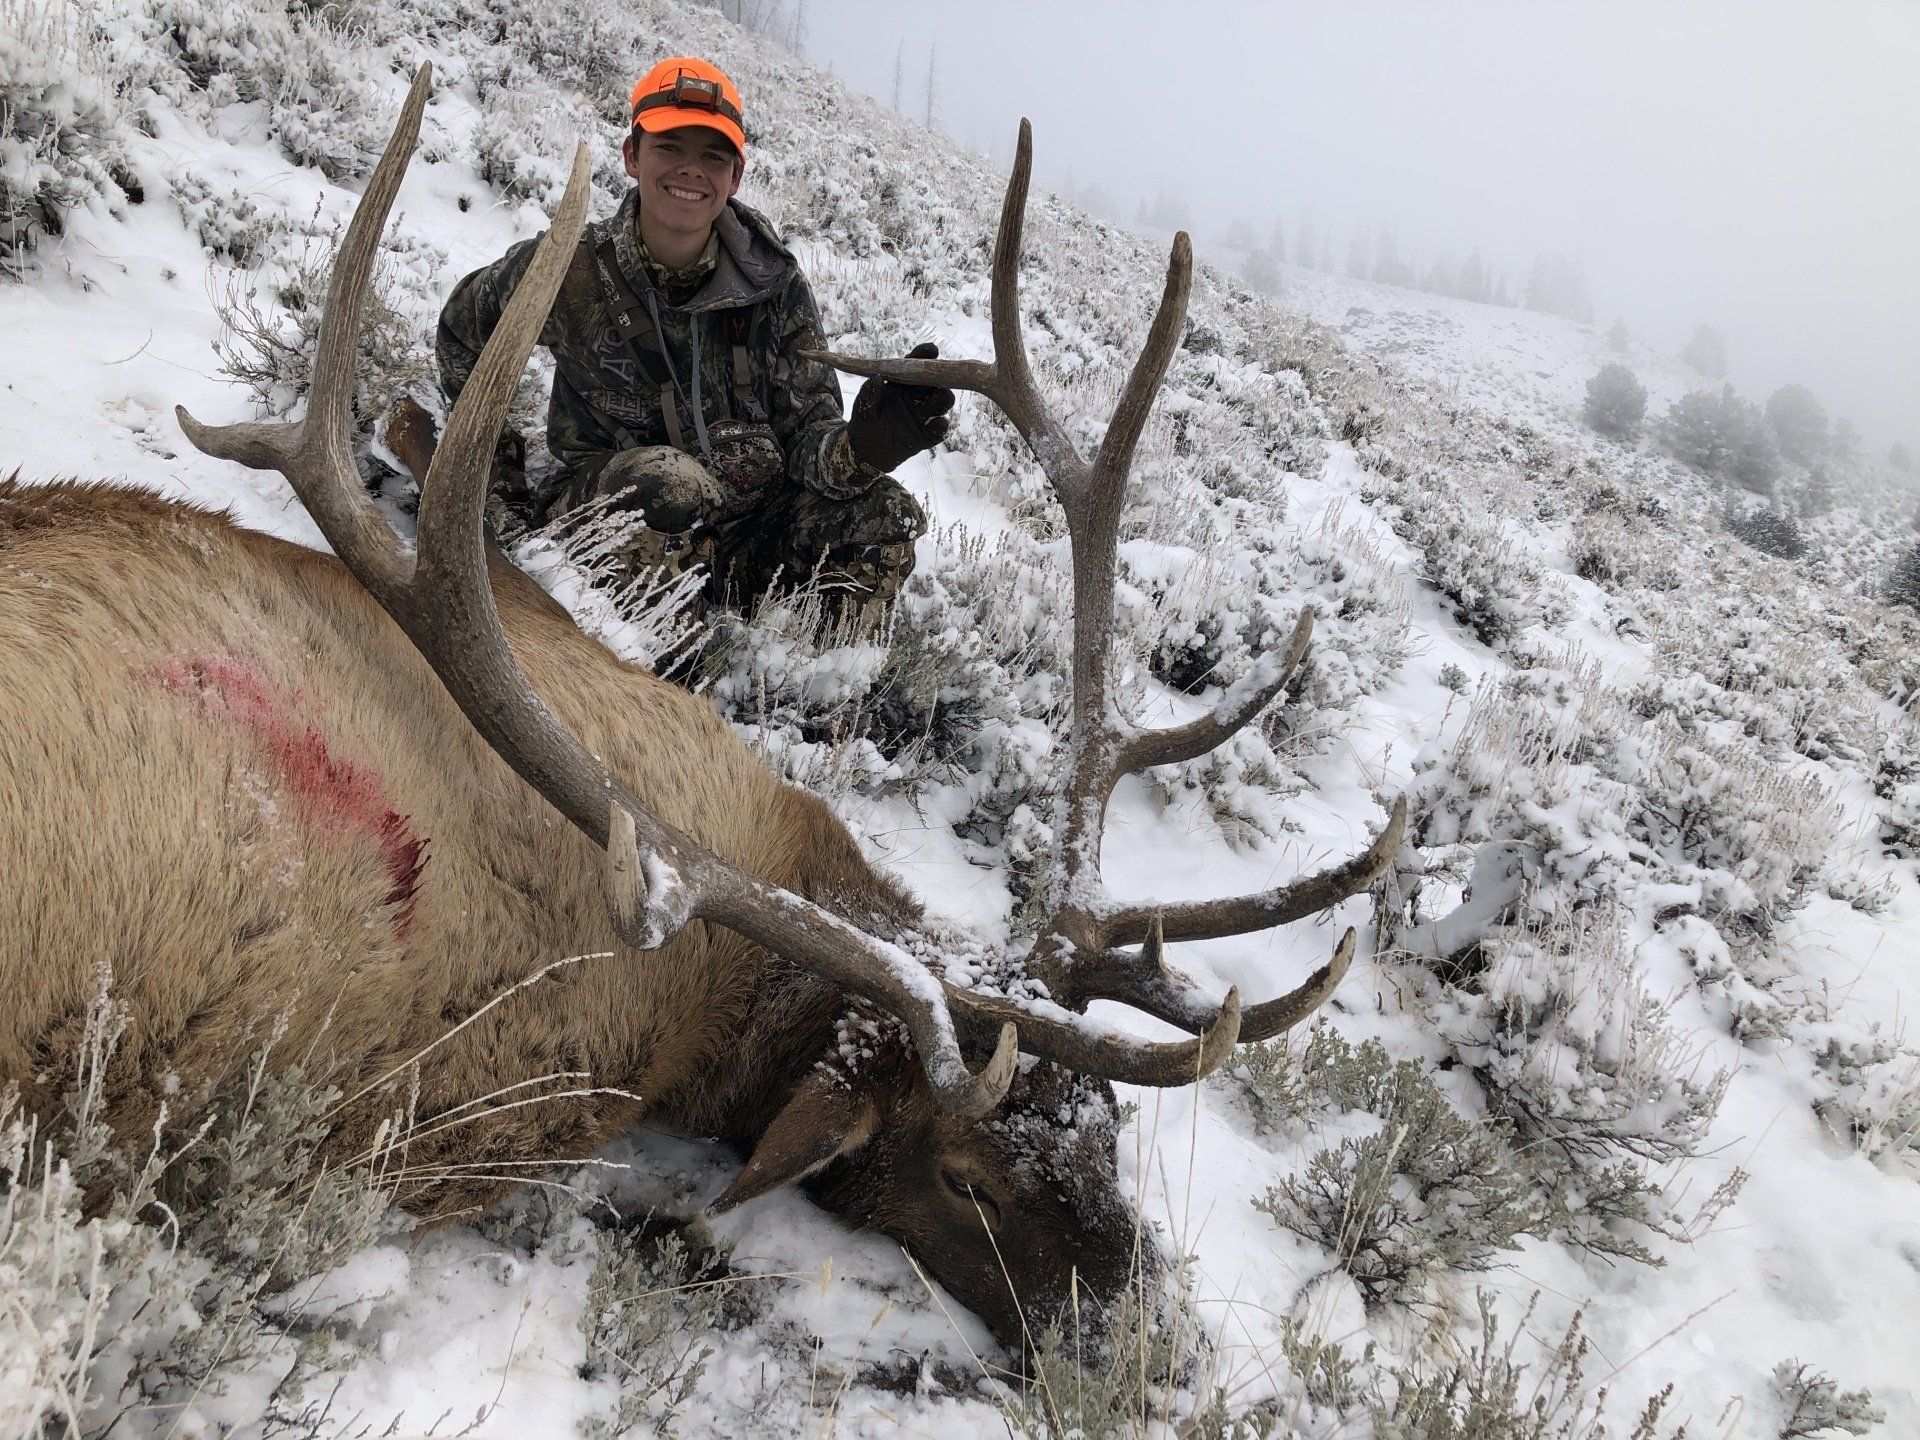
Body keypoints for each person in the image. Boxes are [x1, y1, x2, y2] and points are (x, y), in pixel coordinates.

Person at [435, 56, 953, 618]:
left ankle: (801, 689)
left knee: (886, 514)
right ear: (633, 156)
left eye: (713, 155)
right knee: (668, 484)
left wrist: (861, 451)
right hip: (618, 518)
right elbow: (464, 330)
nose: (691, 170)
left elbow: (809, 437)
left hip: (748, 535)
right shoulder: (568, 267)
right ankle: (667, 668)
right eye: (669, 146)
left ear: (736, 176)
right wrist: (498, 471)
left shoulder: (775, 287)